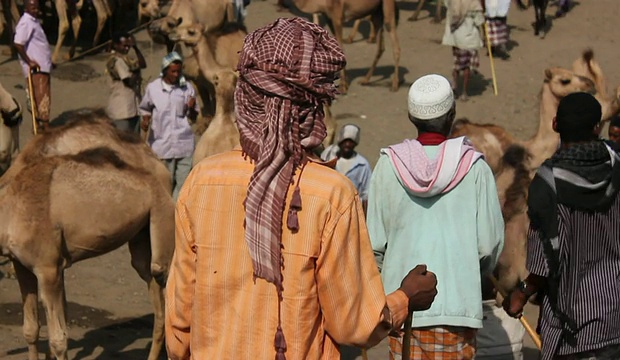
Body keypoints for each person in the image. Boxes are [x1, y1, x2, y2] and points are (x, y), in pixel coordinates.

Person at [164, 17, 439, 360]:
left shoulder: (201, 180)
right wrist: (405, 299)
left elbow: (179, 324)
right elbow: (354, 324)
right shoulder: (331, 193)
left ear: (246, 98)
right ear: (314, 107)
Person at [367, 74, 504, 359]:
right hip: (458, 309)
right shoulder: (475, 169)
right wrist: (465, 272)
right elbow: (488, 246)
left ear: (410, 116)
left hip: (402, 307)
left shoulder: (388, 165)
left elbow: (374, 245)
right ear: (452, 114)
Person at [503, 92, 620, 360]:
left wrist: (521, 293)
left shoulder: (547, 183)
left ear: (555, 124)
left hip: (576, 324)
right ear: (598, 127)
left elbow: (545, 261)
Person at [139, 52, 198, 201]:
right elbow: (145, 108)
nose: (176, 74)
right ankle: (167, 216)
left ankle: (177, 214)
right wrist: (145, 119)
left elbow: (193, 117)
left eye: (179, 71)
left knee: (184, 185)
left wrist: (191, 108)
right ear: (165, 70)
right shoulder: (153, 88)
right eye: (173, 71)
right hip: (162, 145)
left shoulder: (187, 89)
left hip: (184, 144)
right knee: (165, 185)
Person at [13, 0, 52, 132]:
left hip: (43, 67)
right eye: (32, 7)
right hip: (36, 69)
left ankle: (41, 127)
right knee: (41, 98)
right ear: (26, 8)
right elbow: (18, 44)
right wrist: (29, 61)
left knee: (39, 97)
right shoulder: (26, 22)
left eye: (37, 7)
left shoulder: (33, 21)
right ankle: (44, 127)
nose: (36, 10)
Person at [321, 124, 372, 211]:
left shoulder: (362, 165)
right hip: (328, 204)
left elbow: (366, 194)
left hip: (351, 208)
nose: (347, 144)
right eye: (345, 141)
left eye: (351, 142)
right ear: (340, 141)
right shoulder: (329, 155)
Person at [442, 0, 485, 101]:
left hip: (455, 37)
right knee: (466, 66)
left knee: (457, 63)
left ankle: (454, 85)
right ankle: (464, 92)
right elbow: (479, 20)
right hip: (468, 38)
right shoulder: (474, 3)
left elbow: (447, 5)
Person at [106, 32, 147, 133]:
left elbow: (143, 64)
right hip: (121, 111)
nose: (127, 48)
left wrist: (136, 47)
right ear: (116, 45)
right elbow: (129, 81)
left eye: (129, 46)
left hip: (133, 109)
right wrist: (137, 72)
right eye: (124, 46)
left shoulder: (126, 59)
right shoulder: (116, 61)